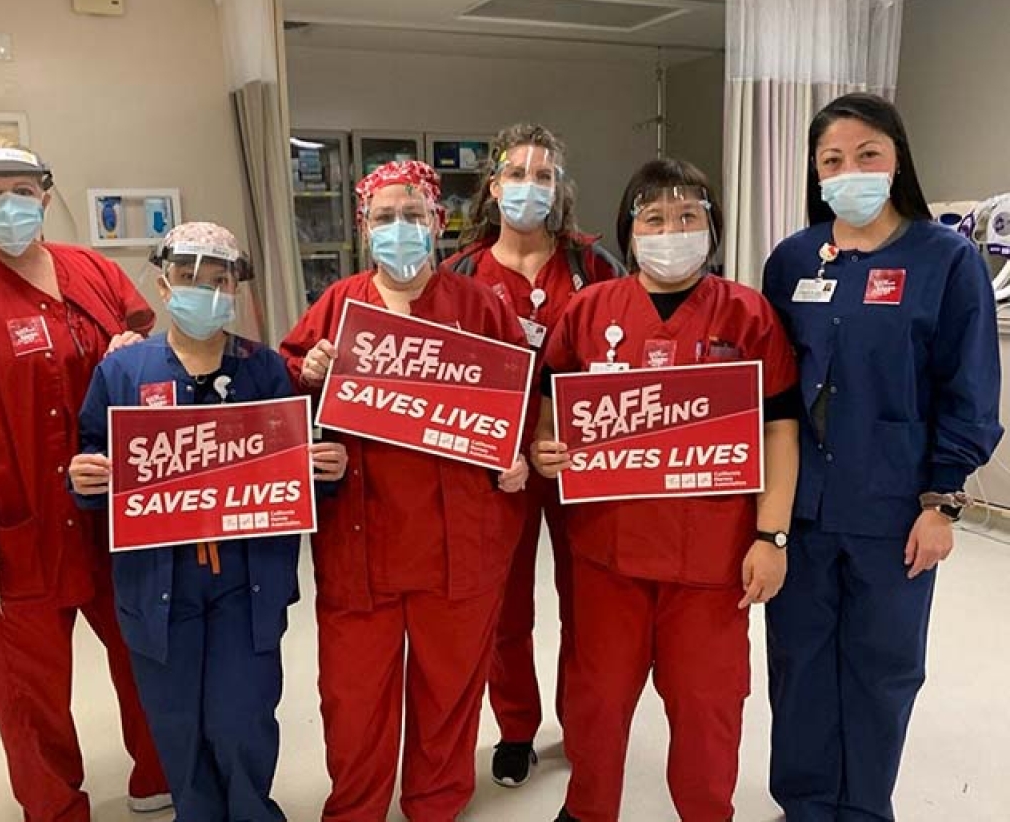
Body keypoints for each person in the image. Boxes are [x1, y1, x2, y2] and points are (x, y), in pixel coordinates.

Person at [0, 138, 169, 821]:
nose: (8, 205)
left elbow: (147, 345)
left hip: (114, 519)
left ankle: (159, 774)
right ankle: (54, 806)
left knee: (147, 658)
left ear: (46, 195)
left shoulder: (92, 272)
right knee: (30, 689)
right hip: (15, 528)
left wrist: (140, 353)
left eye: (21, 190)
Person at [533, 158, 801, 822]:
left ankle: (707, 812)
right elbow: (549, 399)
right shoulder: (588, 310)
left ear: (711, 227)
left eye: (688, 217)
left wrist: (772, 536)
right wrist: (545, 448)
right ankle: (588, 809)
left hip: (712, 561)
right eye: (653, 218)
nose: (671, 229)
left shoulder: (748, 315)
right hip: (608, 555)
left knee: (708, 705)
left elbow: (781, 431)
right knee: (598, 698)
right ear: (630, 233)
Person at [761, 92, 1003, 822]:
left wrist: (942, 502)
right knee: (799, 664)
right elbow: (770, 390)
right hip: (804, 509)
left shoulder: (946, 260)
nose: (851, 170)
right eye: (833, 159)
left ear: (897, 159)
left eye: (867, 154)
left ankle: (863, 807)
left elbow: (969, 389)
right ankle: (804, 803)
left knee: (882, 667)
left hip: (895, 507)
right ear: (815, 171)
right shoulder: (794, 259)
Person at [69, 221, 348, 822]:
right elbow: (95, 458)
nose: (205, 291)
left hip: (246, 583)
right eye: (189, 277)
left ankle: (251, 812)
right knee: (175, 719)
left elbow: (298, 471)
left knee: (242, 715)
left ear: (236, 290)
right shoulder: (122, 373)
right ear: (164, 287)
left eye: (219, 280)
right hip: (158, 582)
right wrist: (87, 479)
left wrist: (327, 468)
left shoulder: (265, 371)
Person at [280, 160, 531, 821]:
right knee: (354, 695)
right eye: (385, 217)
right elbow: (278, 390)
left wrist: (517, 456)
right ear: (364, 227)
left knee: (449, 688)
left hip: (459, 540)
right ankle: (356, 807)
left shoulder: (479, 307)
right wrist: (307, 371)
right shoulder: (337, 305)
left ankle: (435, 803)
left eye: (412, 216)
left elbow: (519, 401)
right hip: (361, 542)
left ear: (436, 223)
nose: (400, 229)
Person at [443, 123, 626, 787]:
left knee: (589, 599)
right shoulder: (461, 270)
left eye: (543, 175)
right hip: (495, 458)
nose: (529, 186)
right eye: (516, 174)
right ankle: (516, 727)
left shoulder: (591, 264)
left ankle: (583, 725)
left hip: (577, 455)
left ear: (560, 188)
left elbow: (627, 349)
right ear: (493, 187)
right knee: (504, 602)